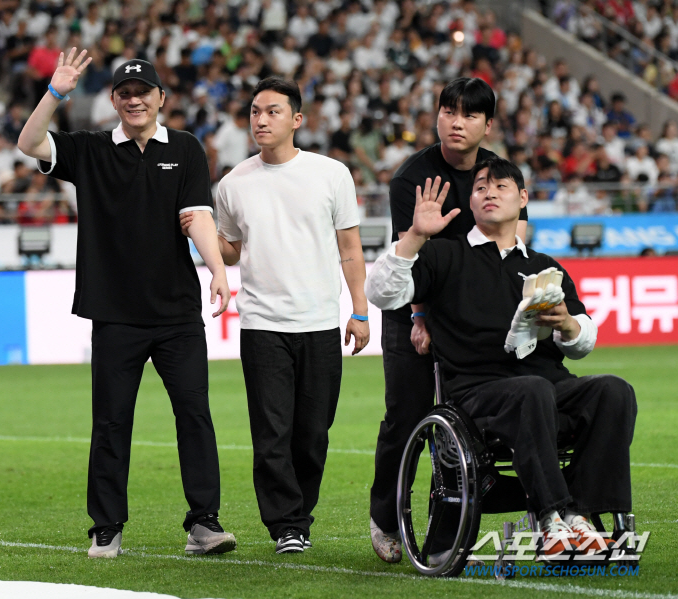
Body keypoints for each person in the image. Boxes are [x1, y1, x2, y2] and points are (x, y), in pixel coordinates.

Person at [17, 49, 237, 558]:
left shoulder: (185, 148)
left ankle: (203, 524)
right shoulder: (89, 149)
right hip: (114, 312)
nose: (134, 100)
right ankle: (107, 528)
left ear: (162, 97)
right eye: (125, 94)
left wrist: (220, 271)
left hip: (178, 312)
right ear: (114, 101)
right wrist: (56, 92)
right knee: (112, 421)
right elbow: (29, 142)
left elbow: (197, 216)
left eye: (144, 92)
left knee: (195, 415)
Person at [366, 156, 637, 562]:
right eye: (480, 188)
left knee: (614, 391)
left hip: (546, 386)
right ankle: (551, 518)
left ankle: (580, 514)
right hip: (476, 393)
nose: (488, 192)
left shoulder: (546, 267)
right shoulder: (443, 256)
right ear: (472, 205)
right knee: (532, 391)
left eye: (500, 186)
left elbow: (583, 341)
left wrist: (566, 323)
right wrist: (414, 237)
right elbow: (382, 293)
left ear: (523, 198)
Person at [180, 76, 370, 554]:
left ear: (297, 120)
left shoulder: (332, 174)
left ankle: (298, 516)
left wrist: (361, 311)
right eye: (255, 112)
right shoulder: (233, 183)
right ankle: (286, 523)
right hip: (262, 325)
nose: (261, 120)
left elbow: (350, 248)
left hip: (321, 323)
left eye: (273, 111)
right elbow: (230, 250)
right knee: (271, 435)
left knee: (312, 435)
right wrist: (199, 232)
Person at [369, 77, 529, 564]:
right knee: (407, 415)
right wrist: (420, 317)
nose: (456, 122)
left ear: (487, 124)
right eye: (448, 111)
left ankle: (490, 509)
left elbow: (514, 242)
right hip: (411, 309)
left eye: (469, 114)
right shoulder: (411, 177)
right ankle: (386, 517)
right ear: (436, 115)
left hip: (472, 315)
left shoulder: (497, 174)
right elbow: (411, 255)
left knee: (481, 412)